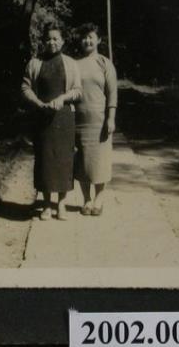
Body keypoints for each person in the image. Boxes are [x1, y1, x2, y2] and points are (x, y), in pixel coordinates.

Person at [21, 23, 82, 220]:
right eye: (48, 39)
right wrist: (38, 103)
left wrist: (62, 98)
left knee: (64, 160)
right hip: (42, 118)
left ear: (62, 41)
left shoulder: (71, 64)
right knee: (45, 160)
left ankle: (61, 204)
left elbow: (78, 91)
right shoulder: (34, 63)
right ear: (43, 41)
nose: (52, 42)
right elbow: (25, 87)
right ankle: (47, 205)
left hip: (64, 118)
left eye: (56, 38)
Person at [74, 23, 118, 216]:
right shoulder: (75, 64)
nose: (87, 41)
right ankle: (86, 199)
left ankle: (99, 199)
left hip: (99, 121)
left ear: (98, 40)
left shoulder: (105, 63)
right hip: (79, 120)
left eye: (91, 37)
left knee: (100, 161)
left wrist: (111, 118)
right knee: (82, 161)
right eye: (84, 37)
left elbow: (112, 93)